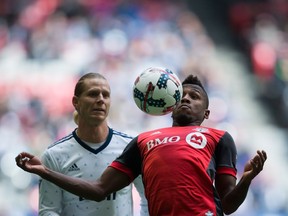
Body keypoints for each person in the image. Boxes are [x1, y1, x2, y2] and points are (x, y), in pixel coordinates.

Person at [16, 74, 267, 216]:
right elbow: (99, 189)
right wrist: (44, 172)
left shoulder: (218, 137)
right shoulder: (144, 140)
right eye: (183, 95)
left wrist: (246, 179)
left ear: (207, 112)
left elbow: (230, 204)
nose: (187, 98)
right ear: (169, 102)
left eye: (195, 96)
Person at [33, 72, 148, 216]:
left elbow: (148, 198)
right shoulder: (54, 155)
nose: (100, 99)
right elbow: (49, 210)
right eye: (93, 94)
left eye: (105, 95)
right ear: (76, 102)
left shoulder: (130, 147)